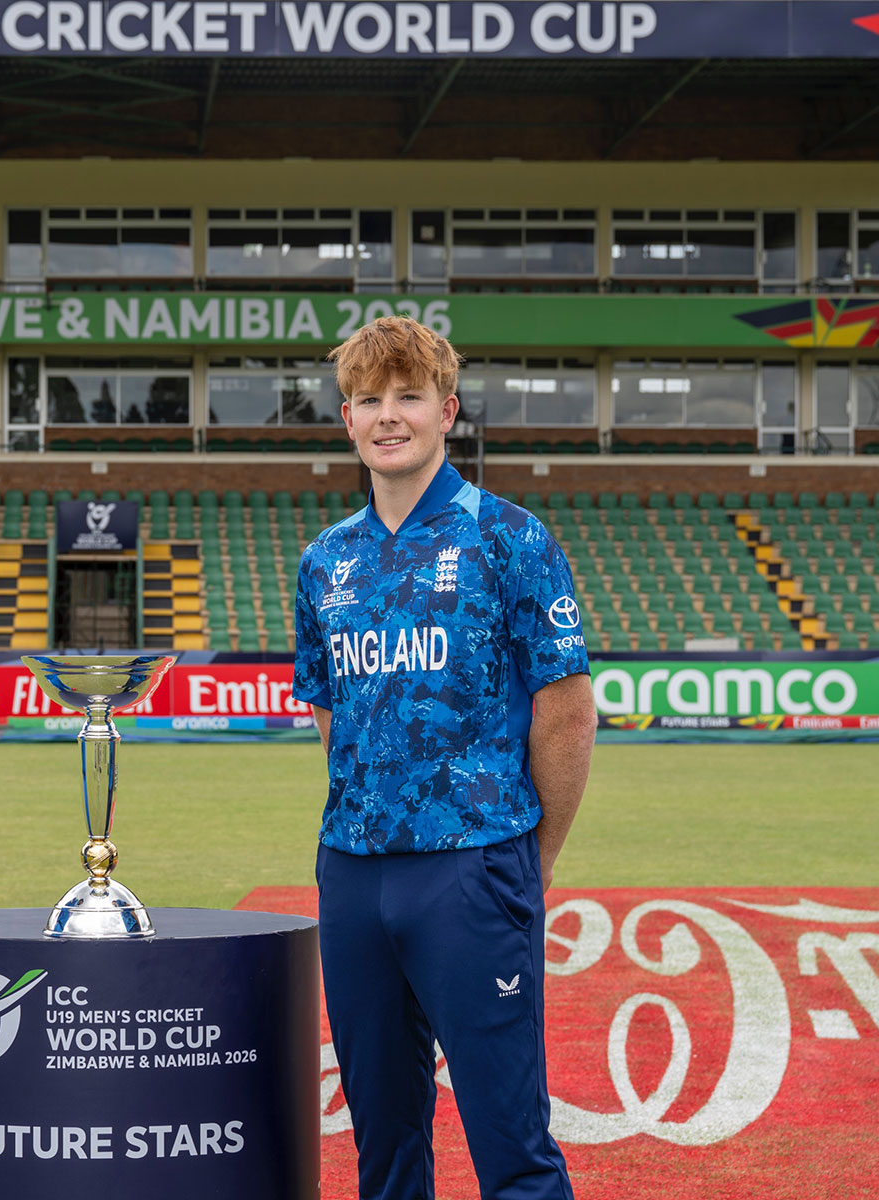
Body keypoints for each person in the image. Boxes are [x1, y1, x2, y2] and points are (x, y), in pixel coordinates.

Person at [292, 316, 596, 1200]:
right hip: (353, 872)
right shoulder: (324, 560)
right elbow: (330, 707)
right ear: (347, 419)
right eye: (369, 400)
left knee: (511, 1144)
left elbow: (567, 714)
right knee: (383, 1148)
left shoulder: (510, 538)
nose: (389, 416)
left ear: (447, 411)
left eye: (409, 397)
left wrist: (531, 858)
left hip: (475, 865)